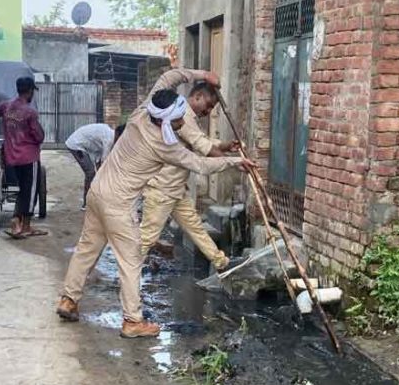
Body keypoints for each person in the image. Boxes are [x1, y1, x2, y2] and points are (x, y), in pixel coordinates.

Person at [57, 86, 256, 339]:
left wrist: (195, 75)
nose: (183, 121)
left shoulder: (140, 116)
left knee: (87, 249)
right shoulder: (163, 145)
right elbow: (199, 163)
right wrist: (236, 162)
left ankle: (68, 299)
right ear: (168, 119)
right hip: (128, 200)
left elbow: (167, 78)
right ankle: (132, 320)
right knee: (131, 260)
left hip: (99, 191)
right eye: (179, 118)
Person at [140, 69, 240, 271]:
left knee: (195, 228)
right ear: (197, 96)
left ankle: (221, 262)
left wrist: (225, 146)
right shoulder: (182, 114)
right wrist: (236, 162)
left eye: (212, 108)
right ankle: (127, 277)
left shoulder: (187, 117)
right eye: (209, 105)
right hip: (162, 190)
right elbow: (203, 149)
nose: (208, 111)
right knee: (146, 239)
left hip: (175, 188)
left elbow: (200, 141)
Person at [0, 77, 47, 239]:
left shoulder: (6, 106)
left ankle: (20, 222)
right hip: (29, 158)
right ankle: (21, 224)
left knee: (23, 190)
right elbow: (39, 136)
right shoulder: (30, 112)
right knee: (30, 192)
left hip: (12, 158)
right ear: (29, 91)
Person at [65, 123, 116, 210]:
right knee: (90, 173)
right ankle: (87, 204)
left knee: (96, 173)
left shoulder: (107, 135)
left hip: (85, 145)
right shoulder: (109, 139)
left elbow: (99, 162)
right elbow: (104, 163)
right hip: (76, 145)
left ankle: (96, 200)